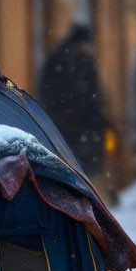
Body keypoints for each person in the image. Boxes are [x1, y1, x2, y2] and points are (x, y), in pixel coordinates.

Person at [38, 23, 108, 179]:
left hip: (71, 126)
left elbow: (93, 94)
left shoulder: (75, 61)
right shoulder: (65, 62)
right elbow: (50, 93)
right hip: (69, 126)